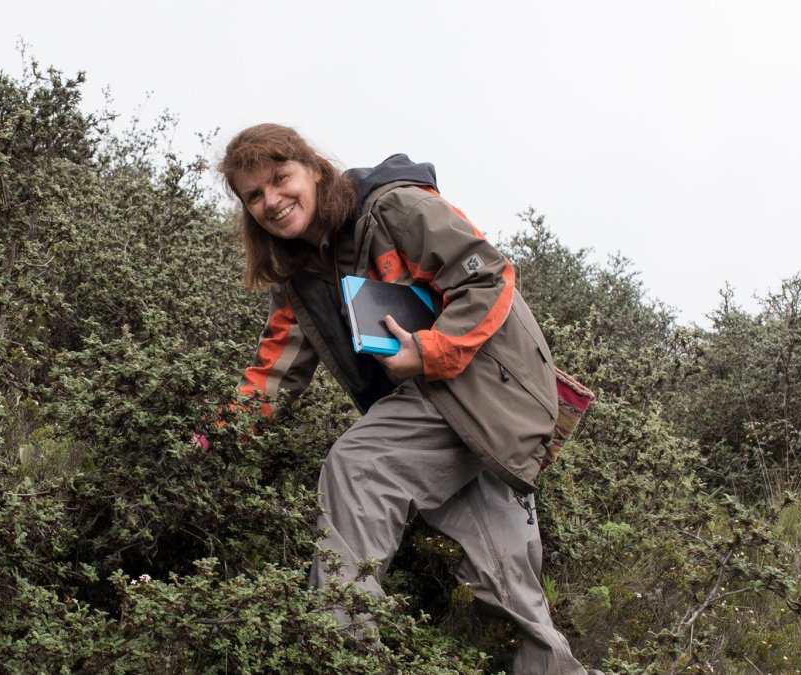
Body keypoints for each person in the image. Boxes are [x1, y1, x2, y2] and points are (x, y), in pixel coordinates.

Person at [218, 123, 597, 674]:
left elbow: (488, 276)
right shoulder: (301, 276)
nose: (272, 201)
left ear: (314, 169)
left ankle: (341, 658)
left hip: (486, 391)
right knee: (508, 584)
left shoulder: (394, 207)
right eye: (254, 195)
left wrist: (428, 350)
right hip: (446, 408)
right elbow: (274, 375)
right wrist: (209, 438)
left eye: (281, 179)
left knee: (359, 466)